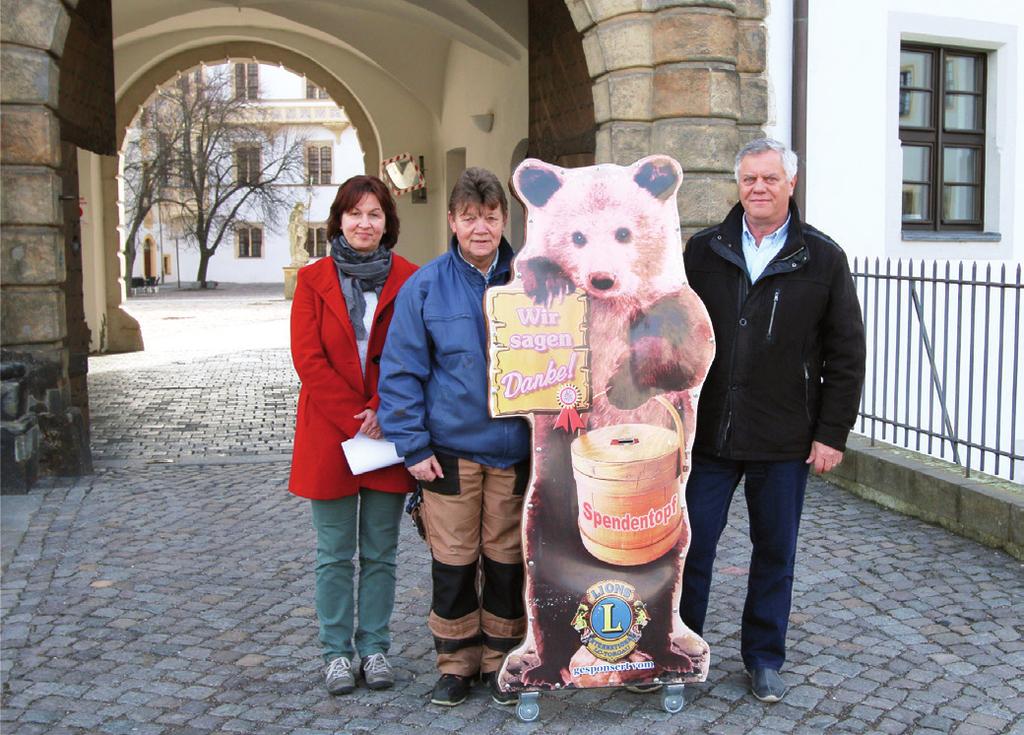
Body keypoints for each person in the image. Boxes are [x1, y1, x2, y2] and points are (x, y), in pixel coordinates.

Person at [680, 139, 866, 703]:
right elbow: (673, 333)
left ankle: (763, 657)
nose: (758, 188)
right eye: (749, 180)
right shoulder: (703, 251)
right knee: (690, 547)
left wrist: (831, 433)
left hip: (785, 436)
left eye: (769, 179)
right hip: (709, 434)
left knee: (775, 552)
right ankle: (681, 651)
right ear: (738, 187)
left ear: (791, 184)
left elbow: (846, 351)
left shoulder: (822, 258)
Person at [378, 167, 531, 707]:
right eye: (470, 218)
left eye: (490, 217)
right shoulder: (425, 286)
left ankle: (503, 657)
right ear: (453, 221)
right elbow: (400, 372)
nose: (481, 228)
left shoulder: (534, 281)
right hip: (450, 454)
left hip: (515, 451)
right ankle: (456, 662)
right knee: (455, 559)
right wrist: (412, 447)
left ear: (504, 219)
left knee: (509, 558)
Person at [288, 175, 417, 696]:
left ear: (388, 224)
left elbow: (414, 351)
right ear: (339, 219)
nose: (365, 223)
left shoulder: (409, 277)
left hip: (388, 431)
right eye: (355, 213)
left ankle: (376, 647)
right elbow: (308, 360)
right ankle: (337, 653)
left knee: (382, 551)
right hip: (330, 432)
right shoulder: (312, 279)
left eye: (375, 215)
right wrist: (356, 416)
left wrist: (384, 408)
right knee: (335, 553)